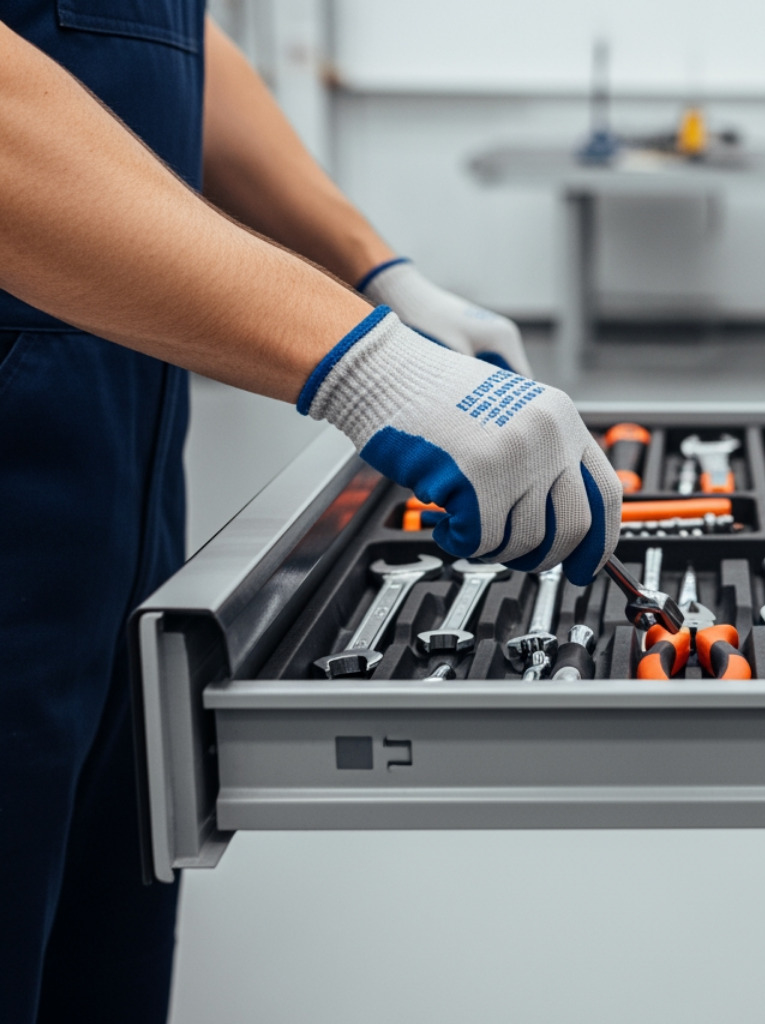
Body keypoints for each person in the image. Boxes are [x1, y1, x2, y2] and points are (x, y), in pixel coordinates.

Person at [0, 5, 621, 1021]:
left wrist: (379, 273)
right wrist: (361, 361)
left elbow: (155, 37)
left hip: (115, 459)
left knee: (98, 954)